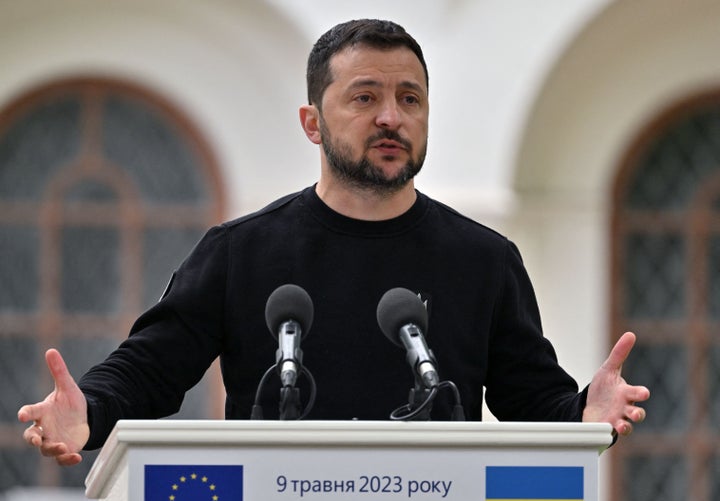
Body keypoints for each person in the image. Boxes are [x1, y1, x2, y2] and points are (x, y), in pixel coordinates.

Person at [18, 19, 649, 466]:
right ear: (312, 124)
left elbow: (529, 397)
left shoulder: (483, 260)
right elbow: (152, 368)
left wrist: (581, 420)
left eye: (410, 99)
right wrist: (91, 412)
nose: (391, 118)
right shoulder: (242, 252)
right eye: (365, 97)